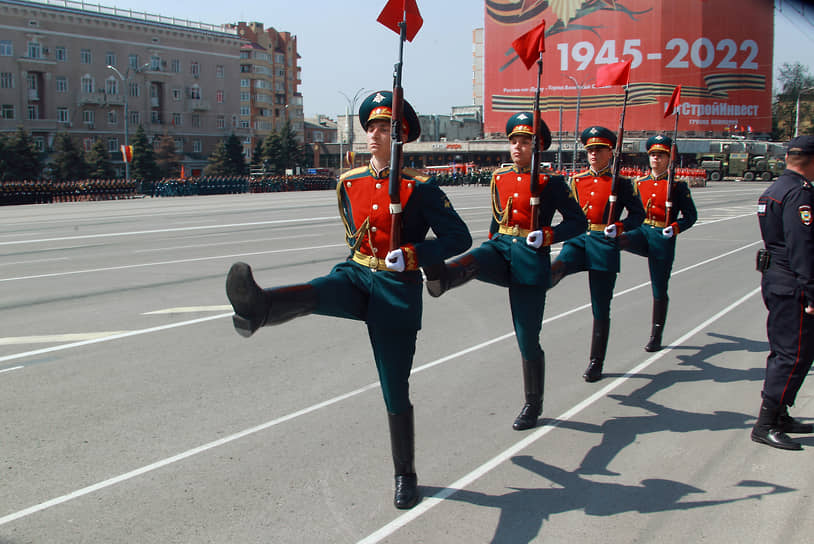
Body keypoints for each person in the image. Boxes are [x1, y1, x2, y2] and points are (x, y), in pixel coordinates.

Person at [224, 90, 472, 507]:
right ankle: (259, 307)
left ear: (402, 136)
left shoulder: (422, 189)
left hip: (396, 289)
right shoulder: (348, 182)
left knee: (394, 388)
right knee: (319, 291)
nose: (374, 135)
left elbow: (459, 237)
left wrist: (412, 254)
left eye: (385, 128)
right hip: (358, 273)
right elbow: (354, 237)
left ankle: (405, 474)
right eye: (371, 127)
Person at [424, 112, 586, 431]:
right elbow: (497, 219)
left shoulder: (551, 182)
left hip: (530, 257)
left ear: (538, 147)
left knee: (527, 338)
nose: (517, 147)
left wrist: (549, 235)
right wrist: (493, 238)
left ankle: (533, 403)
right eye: (513, 141)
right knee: (476, 258)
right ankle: (441, 278)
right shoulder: (500, 177)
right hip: (500, 247)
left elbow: (578, 221)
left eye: (525, 142)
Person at [549, 126, 645, 382]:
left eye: (598, 150)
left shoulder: (622, 183)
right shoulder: (576, 180)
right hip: (579, 239)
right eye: (590, 150)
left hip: (604, 243)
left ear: (610, 152)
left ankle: (596, 361)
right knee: (553, 270)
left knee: (600, 307)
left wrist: (621, 227)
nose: (593, 154)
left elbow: (639, 215)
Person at [751, 135, 814, 451]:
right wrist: (811, 290)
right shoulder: (798, 194)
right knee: (792, 353)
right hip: (792, 284)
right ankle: (766, 423)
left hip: (779, 279)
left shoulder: (775, 189)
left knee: (797, 351)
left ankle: (781, 414)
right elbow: (801, 246)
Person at [620, 135, 697, 352]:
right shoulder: (638, 183)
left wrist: (675, 228)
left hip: (662, 235)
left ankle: (656, 334)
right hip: (641, 230)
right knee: (615, 241)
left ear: (668, 158)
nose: (655, 159)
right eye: (653, 154)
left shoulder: (678, 185)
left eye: (661, 155)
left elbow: (691, 216)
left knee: (659, 287)